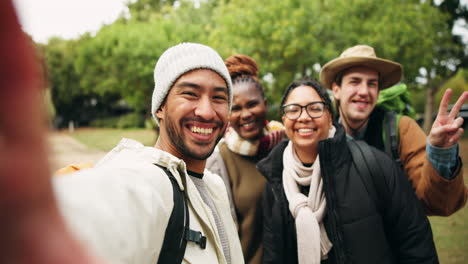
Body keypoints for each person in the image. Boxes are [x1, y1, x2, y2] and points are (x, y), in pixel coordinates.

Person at [0, 4, 243, 262]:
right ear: (159, 107)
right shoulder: (149, 179)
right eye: (189, 94)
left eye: (219, 98)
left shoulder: (214, 184)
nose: (206, 111)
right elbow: (101, 209)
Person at [258, 78, 438, 263]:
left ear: (330, 118)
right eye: (294, 110)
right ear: (284, 120)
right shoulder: (274, 180)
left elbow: (416, 245)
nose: (304, 117)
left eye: (315, 108)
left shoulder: (376, 165)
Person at [320, 45, 467, 216]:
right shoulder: (321, 134)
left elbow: (439, 205)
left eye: (372, 84)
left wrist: (441, 152)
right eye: (355, 81)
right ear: (336, 90)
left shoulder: (400, 129)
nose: (364, 91)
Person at [206, 54, 285, 264]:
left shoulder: (286, 147)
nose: (246, 114)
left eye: (252, 104)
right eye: (237, 109)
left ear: (265, 104)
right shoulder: (219, 161)